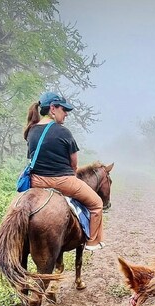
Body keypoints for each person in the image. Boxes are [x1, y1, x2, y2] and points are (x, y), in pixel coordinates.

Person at [24, 91, 105, 251]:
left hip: (35, 182)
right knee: (97, 204)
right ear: (53, 108)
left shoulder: (31, 131)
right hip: (62, 181)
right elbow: (74, 165)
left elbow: (32, 157)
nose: (66, 113)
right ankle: (92, 242)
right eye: (64, 109)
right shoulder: (63, 132)